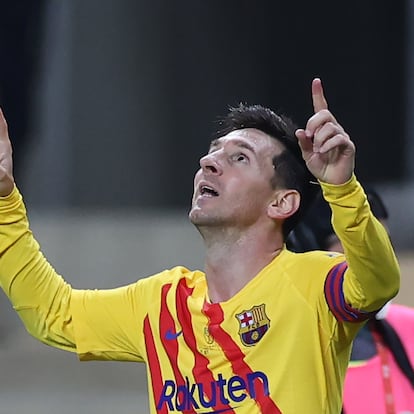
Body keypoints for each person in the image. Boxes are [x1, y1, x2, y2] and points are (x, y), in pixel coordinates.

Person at [0, 78, 400, 413]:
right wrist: (3, 202)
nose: (209, 164)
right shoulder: (162, 304)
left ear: (281, 202)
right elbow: (54, 315)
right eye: (212, 154)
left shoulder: (312, 283)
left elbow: (377, 281)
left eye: (239, 158)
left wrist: (341, 189)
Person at [287, 189, 414, 413]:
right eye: (357, 245)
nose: (378, 261)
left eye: (383, 244)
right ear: (310, 252)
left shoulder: (408, 327)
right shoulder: (283, 351)